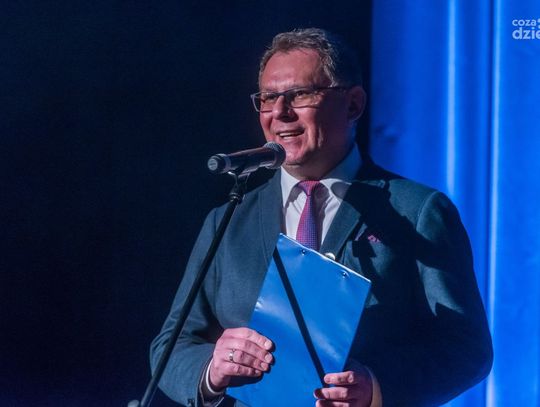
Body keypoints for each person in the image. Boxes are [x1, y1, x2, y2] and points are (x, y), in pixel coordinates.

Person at [150, 28, 493, 407]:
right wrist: (211, 370)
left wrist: (375, 386)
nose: (280, 112)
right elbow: (171, 346)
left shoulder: (417, 210)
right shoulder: (229, 219)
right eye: (268, 98)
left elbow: (466, 347)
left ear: (353, 104)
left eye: (300, 94)